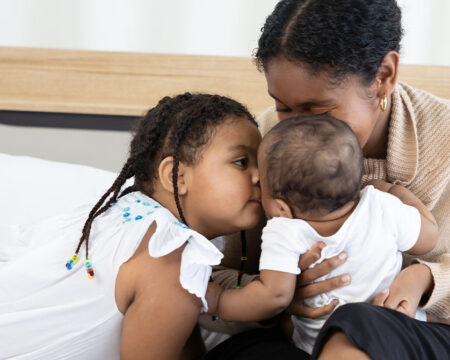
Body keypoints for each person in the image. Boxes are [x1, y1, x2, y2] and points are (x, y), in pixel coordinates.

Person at [206, 0, 450, 359]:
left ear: (384, 76)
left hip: (417, 333)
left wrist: (425, 280)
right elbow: (217, 276)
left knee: (356, 324)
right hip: (298, 336)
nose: (295, 126)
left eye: (317, 109)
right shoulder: (269, 141)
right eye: (282, 106)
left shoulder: (443, 139)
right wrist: (276, 296)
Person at [0, 93, 263, 359]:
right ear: (177, 176)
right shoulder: (165, 262)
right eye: (241, 162)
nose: (259, 176)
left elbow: (181, 340)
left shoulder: (133, 216)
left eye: (260, 164)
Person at [212, 114, 438, 355]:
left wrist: (218, 301)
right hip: (393, 328)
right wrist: (395, 192)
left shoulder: (283, 230)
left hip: (319, 345)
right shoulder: (381, 206)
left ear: (280, 207)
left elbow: (275, 295)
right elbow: (428, 238)